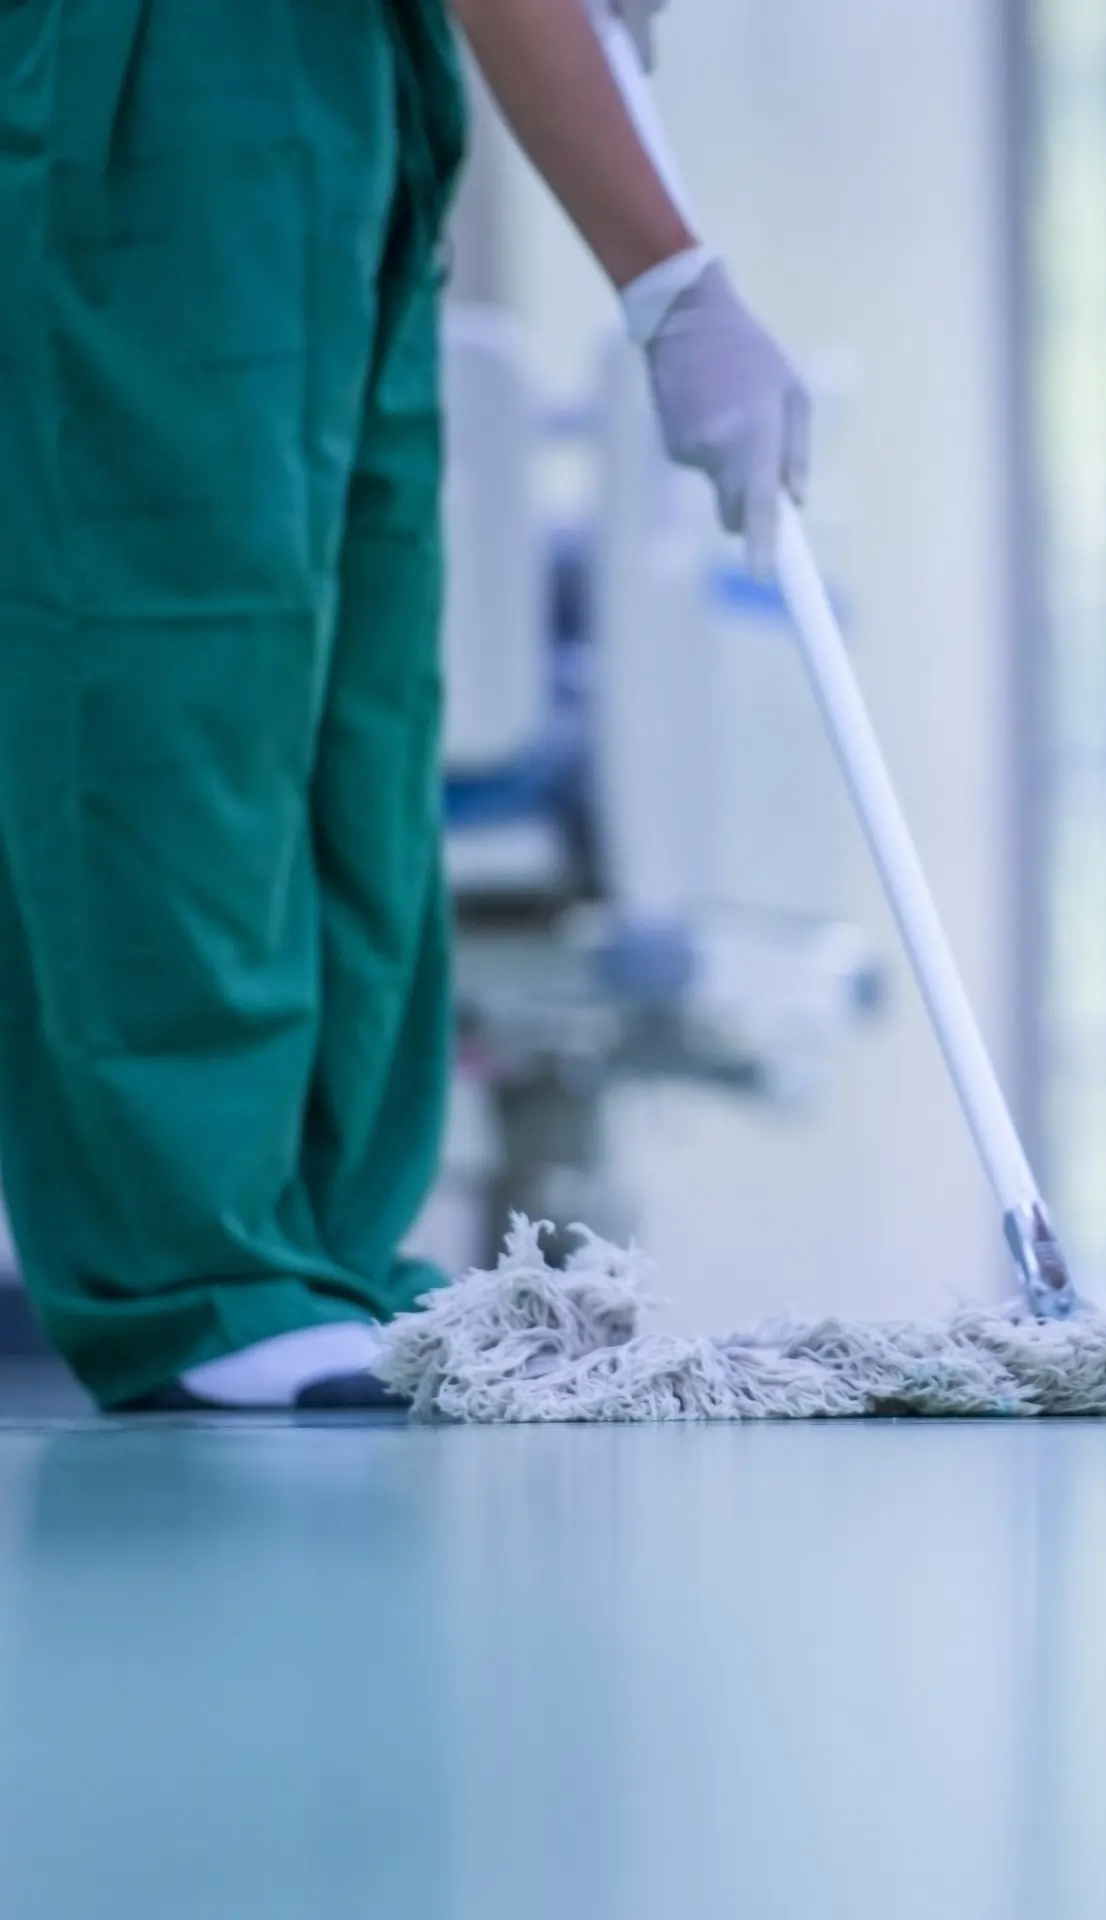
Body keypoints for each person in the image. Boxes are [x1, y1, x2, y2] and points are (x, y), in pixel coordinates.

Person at [0, 0, 807, 1408]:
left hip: (343, 80)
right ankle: (198, 1276)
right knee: (180, 669)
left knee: (356, 700)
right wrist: (665, 275)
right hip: (152, 88)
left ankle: (320, 1246)